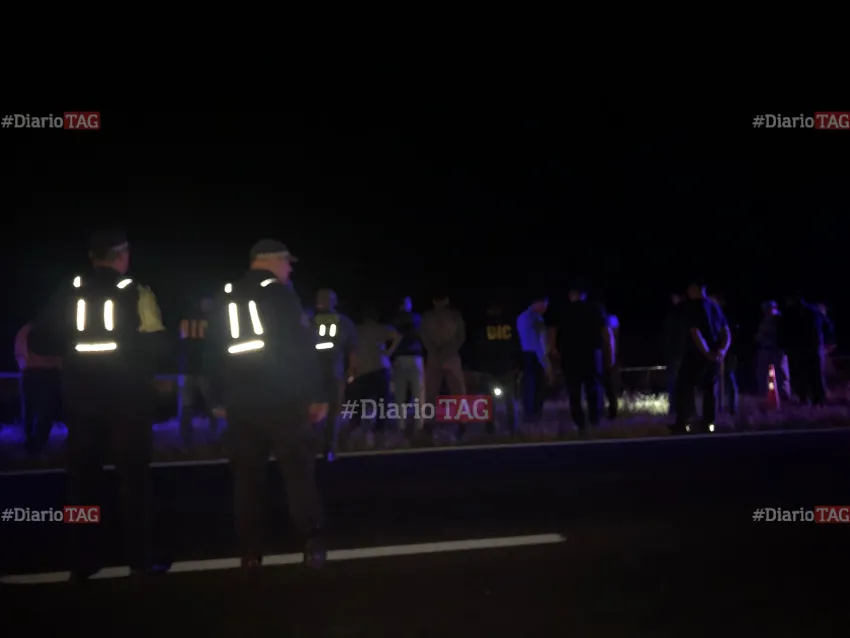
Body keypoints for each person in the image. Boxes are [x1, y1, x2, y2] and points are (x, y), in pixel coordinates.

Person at [28, 230, 168, 582]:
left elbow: (38, 338)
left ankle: (80, 560)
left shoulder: (70, 290)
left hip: (81, 399)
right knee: (133, 479)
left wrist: (71, 352)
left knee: (81, 481)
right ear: (122, 257)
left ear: (92, 258)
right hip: (128, 400)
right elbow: (157, 346)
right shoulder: (137, 291)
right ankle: (139, 559)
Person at [203, 239, 327, 569]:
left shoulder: (226, 295)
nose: (289, 270)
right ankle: (310, 541)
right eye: (287, 263)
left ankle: (249, 550)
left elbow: (211, 351)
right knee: (298, 473)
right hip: (283, 400)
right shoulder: (281, 294)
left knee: (247, 479)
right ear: (271, 261)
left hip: (240, 402)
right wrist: (317, 394)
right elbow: (301, 346)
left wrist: (217, 398)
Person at [671, 280, 730, 434]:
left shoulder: (693, 307)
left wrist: (707, 353)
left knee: (684, 386)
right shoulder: (715, 307)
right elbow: (726, 332)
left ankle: (684, 422)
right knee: (710, 389)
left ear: (694, 289)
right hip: (715, 354)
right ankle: (709, 423)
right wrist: (722, 351)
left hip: (696, 354)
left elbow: (696, 333)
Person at [557, 285, 612, 432]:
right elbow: (605, 332)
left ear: (570, 295)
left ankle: (579, 423)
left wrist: (557, 352)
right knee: (592, 388)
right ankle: (594, 420)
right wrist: (608, 352)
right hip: (591, 353)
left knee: (574, 391)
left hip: (570, 355)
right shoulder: (595, 309)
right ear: (584, 295)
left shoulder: (564, 311)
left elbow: (555, 334)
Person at [312, 288, 357, 460]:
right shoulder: (344, 322)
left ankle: (318, 444)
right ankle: (328, 446)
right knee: (333, 409)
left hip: (315, 372)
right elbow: (352, 349)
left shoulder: (309, 320)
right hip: (333, 372)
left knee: (317, 408)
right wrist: (351, 371)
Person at [347, 306, 401, 438]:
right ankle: (380, 427)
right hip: (380, 366)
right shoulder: (381, 328)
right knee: (382, 400)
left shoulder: (357, 330)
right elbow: (398, 336)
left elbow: (352, 352)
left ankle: (355, 424)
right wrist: (389, 351)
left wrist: (352, 370)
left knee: (358, 400)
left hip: (363, 369)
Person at [15, 322, 62, 455]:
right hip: (47, 372)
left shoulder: (26, 330)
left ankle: (31, 441)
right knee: (45, 409)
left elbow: (19, 351)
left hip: (31, 371)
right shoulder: (55, 330)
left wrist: (25, 365)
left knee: (31, 408)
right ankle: (38, 442)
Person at [177, 297, 216, 448]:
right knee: (210, 400)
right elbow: (211, 344)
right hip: (200, 368)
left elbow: (181, 343)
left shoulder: (184, 320)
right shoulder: (208, 321)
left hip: (186, 367)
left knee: (187, 402)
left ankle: (185, 434)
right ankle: (213, 431)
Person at [778, 292, 828, 406]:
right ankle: (819, 399)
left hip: (796, 349)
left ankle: (804, 399)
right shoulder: (815, 311)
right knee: (816, 375)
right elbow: (827, 326)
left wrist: (783, 346)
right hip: (814, 348)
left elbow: (782, 331)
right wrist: (825, 342)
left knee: (800, 375)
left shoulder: (788, 314)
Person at [421, 294, 467, 418]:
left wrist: (434, 350)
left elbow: (424, 337)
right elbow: (460, 336)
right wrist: (447, 351)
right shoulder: (454, 315)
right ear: (446, 300)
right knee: (457, 391)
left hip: (434, 356)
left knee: (431, 391)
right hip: (450, 356)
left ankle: (429, 419)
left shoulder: (427, 316)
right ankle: (462, 420)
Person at [477, 302, 520, 434]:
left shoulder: (483, 328)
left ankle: (490, 428)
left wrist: (479, 367)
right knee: (510, 399)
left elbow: (478, 348)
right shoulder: (509, 327)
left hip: (490, 369)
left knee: (489, 401)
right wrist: (517, 365)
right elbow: (516, 346)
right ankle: (513, 427)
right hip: (507, 367)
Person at [391, 296, 425, 434]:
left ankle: (401, 425)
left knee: (400, 394)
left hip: (400, 358)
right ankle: (419, 426)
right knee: (418, 394)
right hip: (416, 357)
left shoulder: (395, 320)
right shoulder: (417, 318)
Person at [516, 296, 551, 424]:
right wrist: (545, 362)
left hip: (524, 353)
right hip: (536, 355)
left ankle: (528, 413)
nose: (545, 309)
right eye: (544, 305)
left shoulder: (521, 317)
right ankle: (535, 413)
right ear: (538, 303)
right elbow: (541, 341)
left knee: (527, 385)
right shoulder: (537, 318)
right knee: (537, 386)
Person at [709, 292, 739, 415]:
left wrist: (724, 349)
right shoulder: (713, 314)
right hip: (716, 351)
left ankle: (732, 408)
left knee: (729, 377)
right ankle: (717, 408)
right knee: (715, 379)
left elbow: (728, 334)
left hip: (728, 352)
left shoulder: (725, 315)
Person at [755, 300, 791, 400]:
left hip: (777, 349)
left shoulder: (779, 319)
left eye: (768, 309)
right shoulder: (765, 319)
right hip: (765, 349)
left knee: (781, 373)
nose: (765, 311)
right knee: (763, 373)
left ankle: (784, 394)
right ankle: (764, 394)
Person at [662, 293, 686, 416]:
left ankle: (674, 408)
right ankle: (678, 408)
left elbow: (669, 335)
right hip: (678, 353)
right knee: (677, 382)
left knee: (674, 381)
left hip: (675, 353)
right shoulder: (685, 314)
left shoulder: (675, 315)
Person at [602, 313, 620, 419]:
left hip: (609, 364)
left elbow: (611, 349)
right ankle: (612, 410)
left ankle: (612, 410)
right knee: (610, 388)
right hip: (610, 363)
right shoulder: (610, 334)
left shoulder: (609, 334)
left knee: (610, 388)